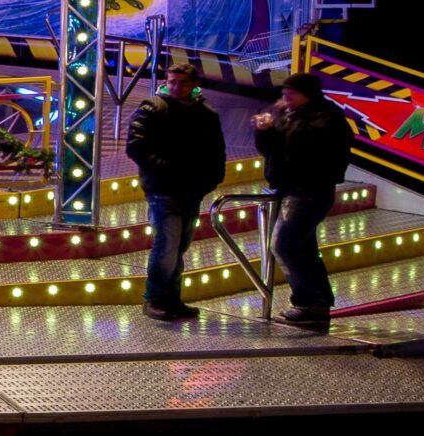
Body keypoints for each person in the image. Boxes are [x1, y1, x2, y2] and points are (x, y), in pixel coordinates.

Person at [252, 71, 355, 332]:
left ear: (307, 95)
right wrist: (264, 131)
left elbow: (302, 146)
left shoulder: (326, 118)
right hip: (289, 188)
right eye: (284, 93)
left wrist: (276, 123)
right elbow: (273, 149)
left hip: (310, 190)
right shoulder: (292, 116)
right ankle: (318, 303)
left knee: (283, 244)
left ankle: (306, 301)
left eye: (291, 93)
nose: (285, 98)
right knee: (305, 249)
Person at [125, 61, 227, 321]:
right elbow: (136, 146)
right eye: (172, 82)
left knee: (179, 245)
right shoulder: (153, 108)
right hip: (163, 188)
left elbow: (216, 151)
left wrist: (211, 179)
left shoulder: (206, 113)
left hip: (192, 189)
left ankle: (171, 297)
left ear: (194, 84)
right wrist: (164, 169)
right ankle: (156, 298)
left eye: (182, 82)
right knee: (167, 243)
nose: (176, 87)